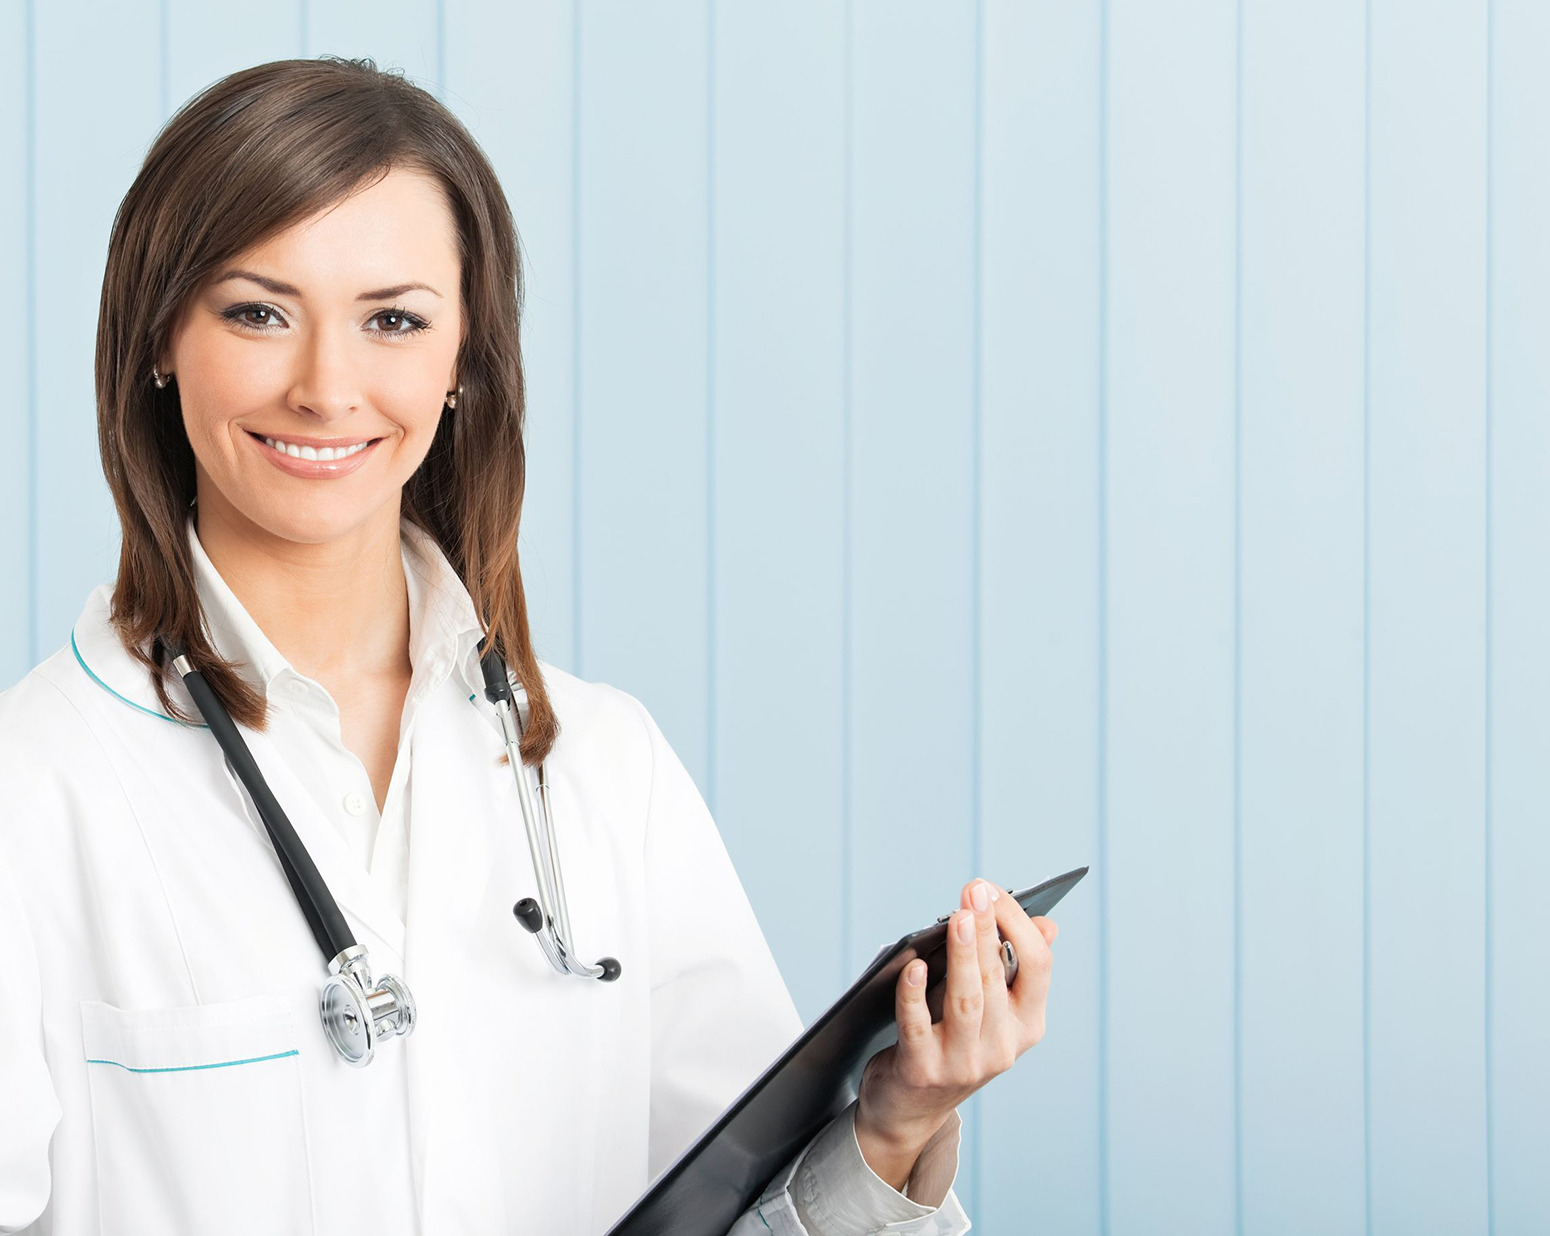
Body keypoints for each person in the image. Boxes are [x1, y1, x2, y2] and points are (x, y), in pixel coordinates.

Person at [0, 56, 1059, 1235]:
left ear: (461, 364)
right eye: (258, 312)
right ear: (157, 337)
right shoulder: (36, 788)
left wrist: (896, 1120)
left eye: (393, 320)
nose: (325, 385)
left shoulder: (602, 765)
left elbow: (728, 1210)